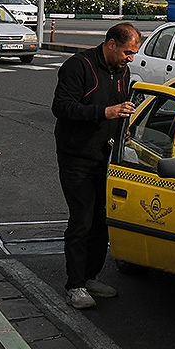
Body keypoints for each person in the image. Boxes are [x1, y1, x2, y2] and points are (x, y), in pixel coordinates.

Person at [51, 22, 141, 310]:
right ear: (111, 44)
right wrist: (105, 112)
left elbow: (118, 106)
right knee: (82, 220)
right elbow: (62, 107)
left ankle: (90, 277)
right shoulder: (79, 66)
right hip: (76, 157)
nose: (131, 58)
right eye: (128, 51)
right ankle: (74, 284)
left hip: (108, 156)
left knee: (103, 220)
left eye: (134, 53)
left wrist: (122, 126)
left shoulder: (122, 71)